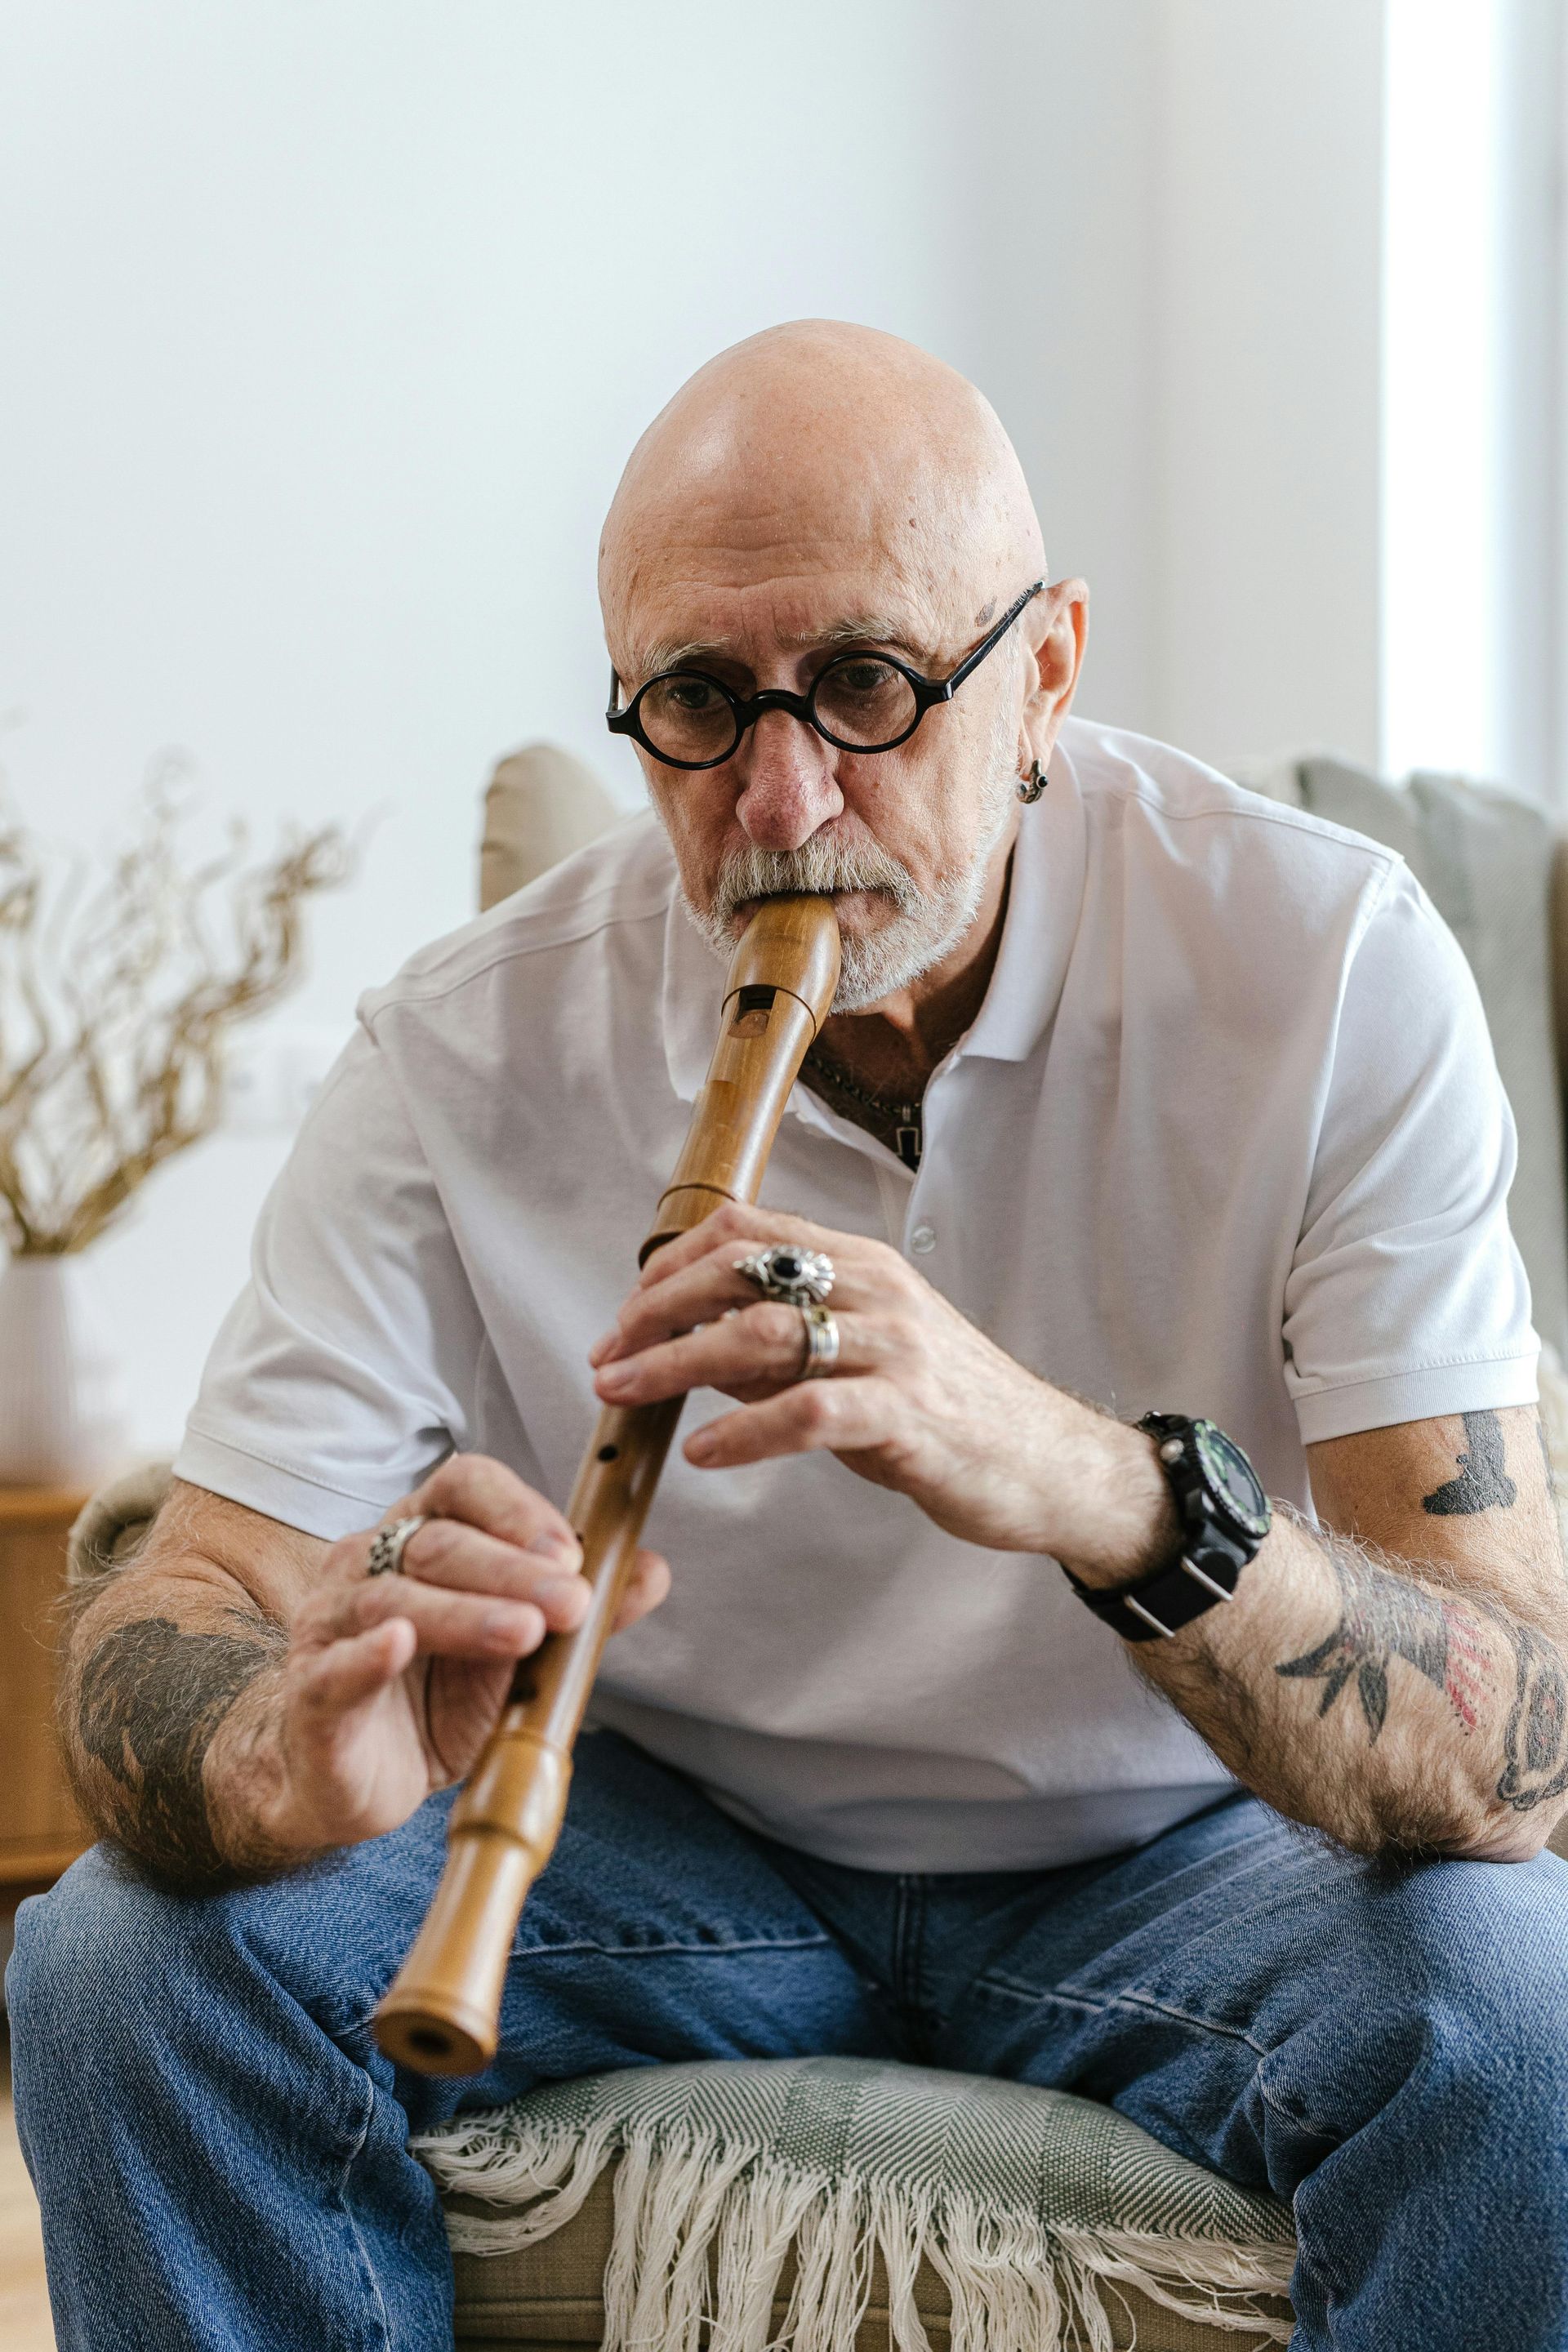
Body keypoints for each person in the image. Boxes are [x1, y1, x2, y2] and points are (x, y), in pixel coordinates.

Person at [11, 320, 1568, 2351]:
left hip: (1193, 1858)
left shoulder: (1328, 963)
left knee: (1520, 2022)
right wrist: (275, 1738)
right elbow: (182, 1609)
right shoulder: (463, 1042)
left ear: (1048, 675)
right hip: (675, 1853)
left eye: (863, 683)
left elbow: (1515, 1728)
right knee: (117, 1962)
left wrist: (1097, 1483)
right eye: (694, 701)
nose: (777, 798)